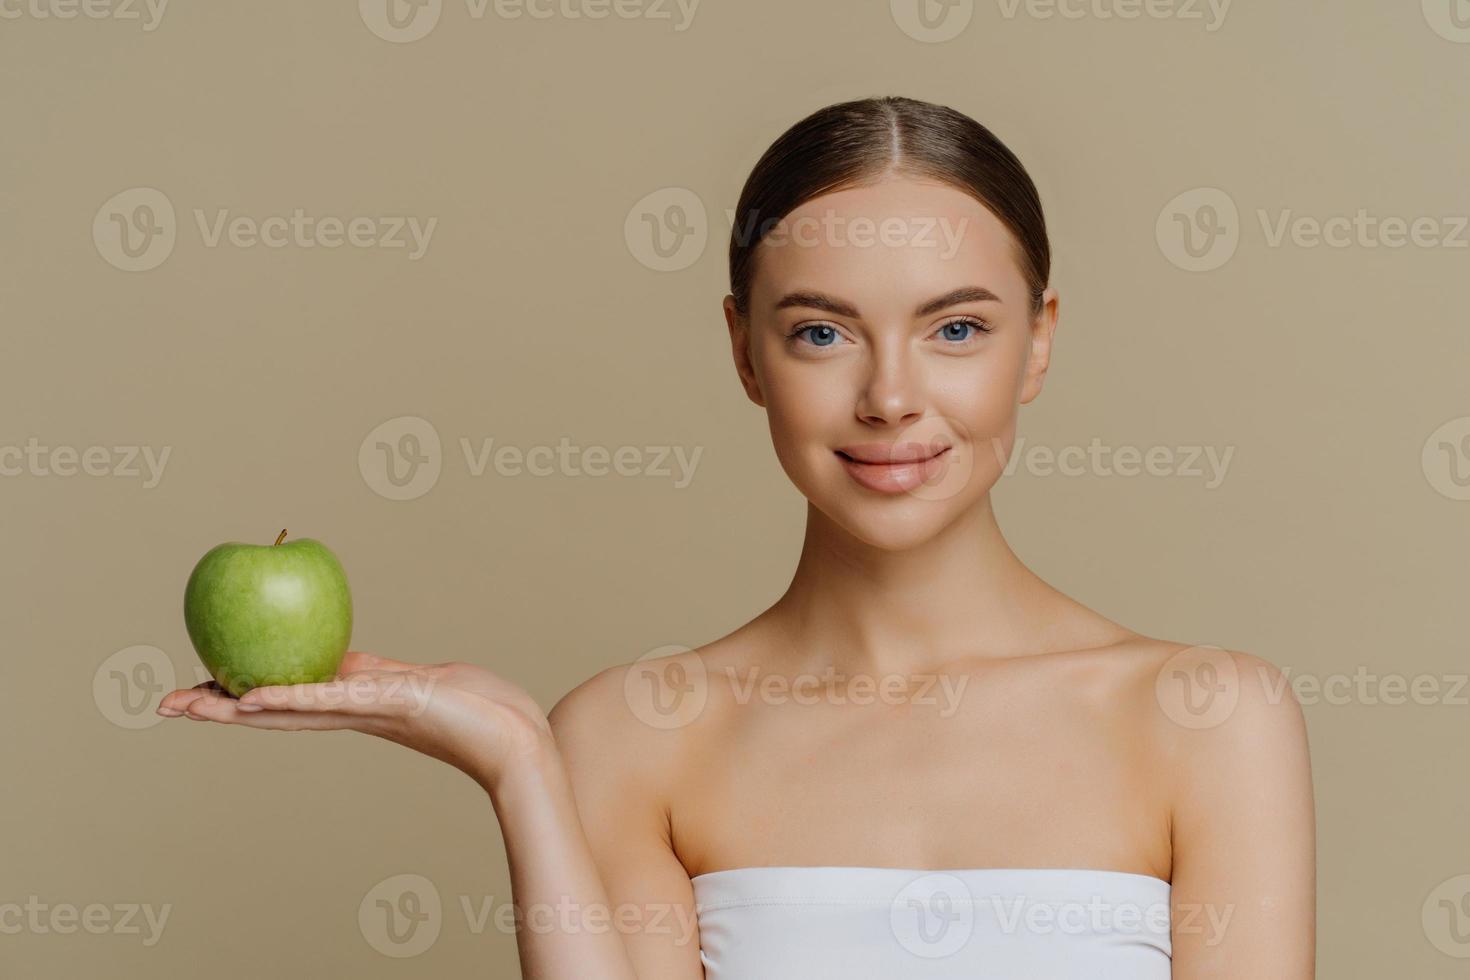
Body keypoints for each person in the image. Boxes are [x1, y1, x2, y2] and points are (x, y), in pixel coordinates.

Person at [159, 95, 1316, 979]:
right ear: (743, 349)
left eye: (957, 326)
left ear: (1040, 342)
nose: (892, 396)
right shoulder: (629, 732)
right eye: (822, 333)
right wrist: (518, 762)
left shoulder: (1210, 717)